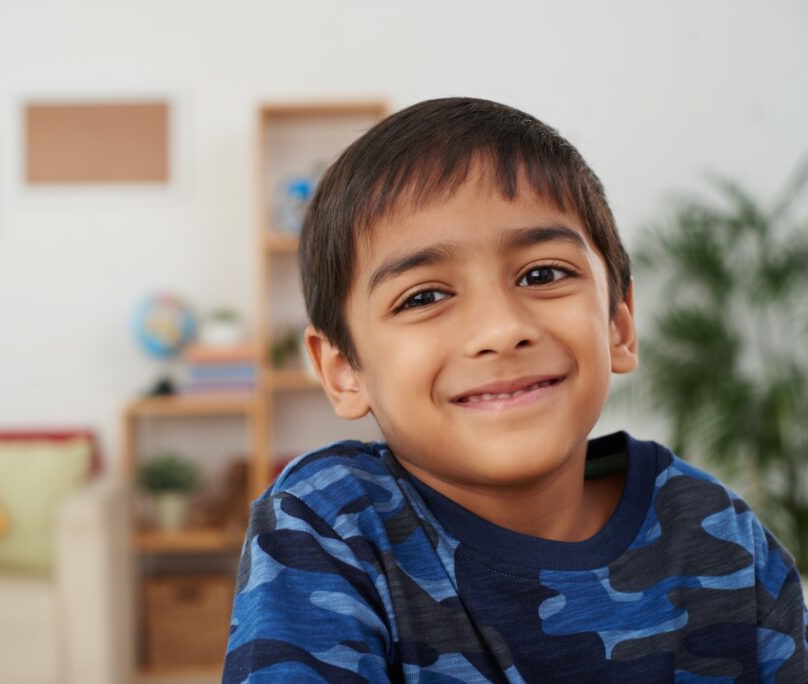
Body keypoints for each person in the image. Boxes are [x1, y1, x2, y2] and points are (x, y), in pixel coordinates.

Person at [222, 98, 807, 682]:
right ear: (344, 371)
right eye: (424, 297)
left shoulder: (722, 534)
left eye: (543, 274)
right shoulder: (329, 524)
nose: (502, 330)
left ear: (619, 326)